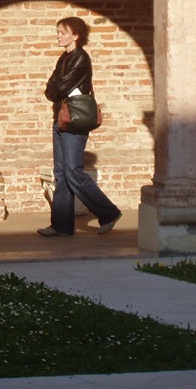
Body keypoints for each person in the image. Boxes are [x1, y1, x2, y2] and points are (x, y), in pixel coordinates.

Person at [38, 16, 122, 237]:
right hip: (60, 118)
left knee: (73, 172)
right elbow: (50, 89)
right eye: (57, 32)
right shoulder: (63, 58)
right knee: (61, 174)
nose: (58, 35)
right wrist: (55, 88)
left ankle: (109, 213)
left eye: (62, 32)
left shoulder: (81, 59)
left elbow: (60, 86)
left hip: (75, 120)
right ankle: (61, 226)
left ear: (75, 35)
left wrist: (56, 87)